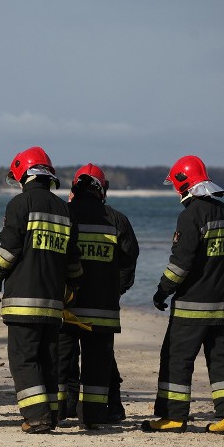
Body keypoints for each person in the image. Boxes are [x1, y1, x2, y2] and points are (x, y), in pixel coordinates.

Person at [142, 155, 224, 435]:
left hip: (192, 308)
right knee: (222, 358)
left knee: (176, 358)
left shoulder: (190, 216)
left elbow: (180, 264)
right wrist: (221, 284)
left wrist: (162, 291)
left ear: (182, 184)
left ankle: (173, 417)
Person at [0, 146, 82, 433]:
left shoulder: (19, 204)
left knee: (24, 359)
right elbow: (72, 260)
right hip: (53, 301)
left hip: (22, 300)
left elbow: (10, 249)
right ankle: (52, 415)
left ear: (23, 175)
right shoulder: (64, 209)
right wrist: (73, 286)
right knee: (48, 359)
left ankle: (37, 416)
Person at [58, 164, 139, 428]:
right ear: (102, 190)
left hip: (67, 307)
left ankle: (60, 411)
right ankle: (100, 413)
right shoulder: (117, 220)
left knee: (61, 360)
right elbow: (129, 262)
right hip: (103, 309)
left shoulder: (63, 214)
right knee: (101, 363)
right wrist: (115, 291)